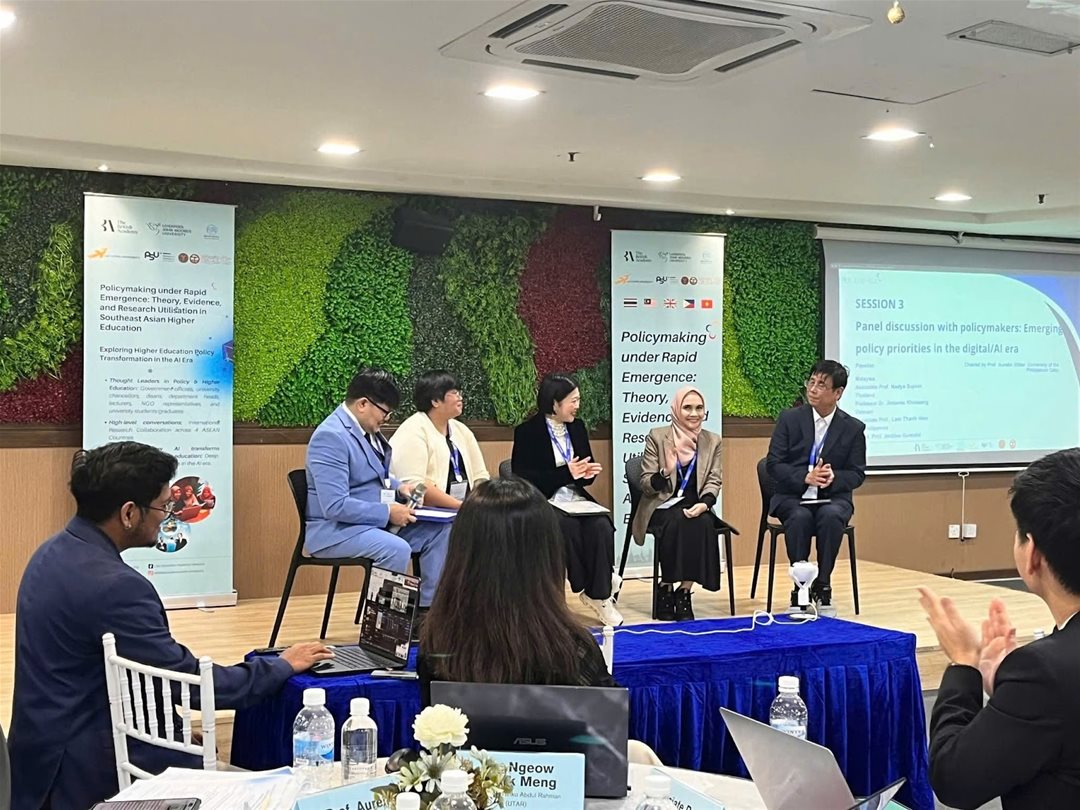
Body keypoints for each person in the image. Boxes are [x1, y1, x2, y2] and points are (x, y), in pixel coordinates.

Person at [7, 442, 332, 810]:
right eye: (164, 506)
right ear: (129, 513)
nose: (168, 517)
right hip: (86, 772)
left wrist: (169, 729)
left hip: (37, 761)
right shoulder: (117, 587)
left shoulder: (51, 553)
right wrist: (280, 666)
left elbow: (103, 674)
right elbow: (189, 683)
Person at [918, 448, 1080, 810]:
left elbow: (955, 779)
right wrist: (1007, 694)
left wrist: (964, 665)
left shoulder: (1044, 673)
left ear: (1032, 553)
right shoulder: (1042, 674)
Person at [417, 477, 617, 704]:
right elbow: (610, 717)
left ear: (461, 553)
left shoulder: (436, 647)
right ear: (547, 554)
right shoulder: (573, 650)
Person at [305, 367, 451, 609]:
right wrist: (388, 512)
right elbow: (335, 506)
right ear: (363, 404)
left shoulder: (367, 430)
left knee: (441, 529)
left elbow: (377, 474)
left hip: (373, 523)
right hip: (335, 530)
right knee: (396, 549)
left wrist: (401, 487)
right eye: (385, 412)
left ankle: (426, 611)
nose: (387, 418)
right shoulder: (330, 437)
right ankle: (384, 623)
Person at [511, 373, 622, 626]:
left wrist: (587, 474)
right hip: (543, 501)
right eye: (573, 401)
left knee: (601, 525)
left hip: (575, 499)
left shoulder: (577, 428)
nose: (577, 406)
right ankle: (597, 584)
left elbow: (583, 472)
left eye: (578, 400)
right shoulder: (527, 432)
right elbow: (523, 478)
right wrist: (566, 474)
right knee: (566, 527)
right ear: (554, 403)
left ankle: (598, 594)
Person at [766, 360, 866, 611]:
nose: (812, 389)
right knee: (799, 517)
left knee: (831, 516)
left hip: (833, 498)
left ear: (838, 393)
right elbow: (773, 465)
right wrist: (805, 477)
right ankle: (800, 587)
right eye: (811, 381)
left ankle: (823, 584)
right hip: (792, 496)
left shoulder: (853, 428)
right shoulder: (789, 419)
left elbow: (857, 474)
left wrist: (834, 477)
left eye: (821, 385)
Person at [632, 386, 723, 621]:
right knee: (676, 521)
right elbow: (645, 484)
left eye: (699, 408)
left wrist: (705, 504)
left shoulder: (712, 440)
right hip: (661, 503)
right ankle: (666, 586)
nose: (694, 413)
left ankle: (684, 591)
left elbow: (714, 480)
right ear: (676, 409)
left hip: (695, 502)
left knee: (703, 523)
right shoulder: (658, 436)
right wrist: (665, 471)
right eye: (687, 407)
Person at [389, 370, 489, 509]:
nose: (460, 398)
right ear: (435, 401)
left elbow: (480, 476)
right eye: (454, 393)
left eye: (459, 393)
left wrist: (479, 503)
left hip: (464, 510)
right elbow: (415, 486)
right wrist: (462, 507)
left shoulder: (461, 430)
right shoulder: (412, 431)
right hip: (428, 513)